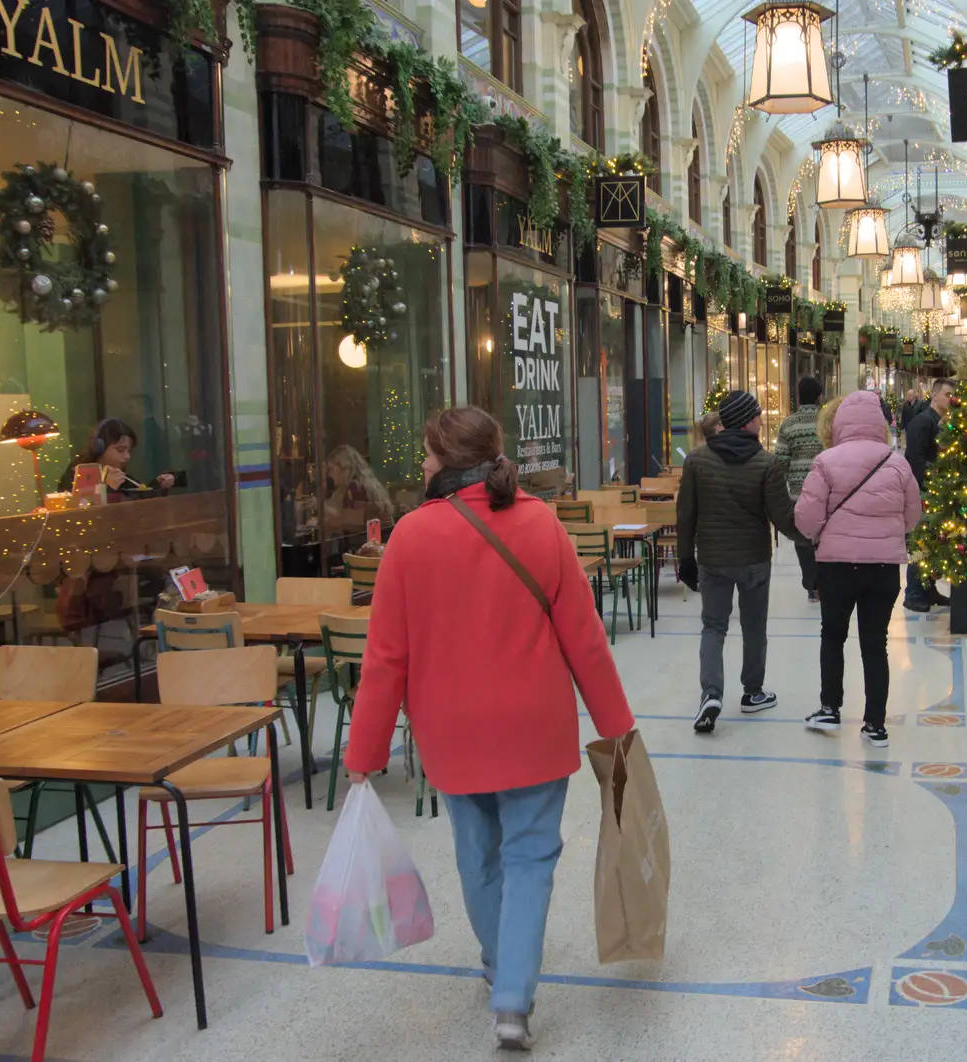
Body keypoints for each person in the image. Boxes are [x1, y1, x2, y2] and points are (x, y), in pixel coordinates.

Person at [344, 407, 633, 1051]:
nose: (421, 466)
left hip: (452, 734)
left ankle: (500, 963)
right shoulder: (542, 526)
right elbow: (583, 639)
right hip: (535, 726)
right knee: (531, 859)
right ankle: (512, 1001)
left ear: (446, 458)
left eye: (425, 454)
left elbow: (386, 659)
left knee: (478, 857)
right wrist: (616, 726)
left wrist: (363, 751)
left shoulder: (410, 538)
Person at [795, 391, 920, 747]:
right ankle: (875, 725)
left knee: (833, 636)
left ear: (840, 423)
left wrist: (823, 532)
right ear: (880, 424)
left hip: (837, 566)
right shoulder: (896, 463)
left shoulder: (826, 461)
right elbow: (913, 516)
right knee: (875, 644)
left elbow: (805, 519)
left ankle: (830, 708)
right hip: (882, 568)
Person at [676, 389, 802, 733]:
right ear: (747, 420)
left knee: (713, 627)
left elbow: (685, 515)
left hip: (712, 559)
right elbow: (783, 518)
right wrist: (814, 538)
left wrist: (685, 558)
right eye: (758, 415)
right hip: (754, 561)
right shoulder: (767, 463)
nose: (762, 420)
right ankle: (752, 693)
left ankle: (711, 694)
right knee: (754, 627)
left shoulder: (697, 461)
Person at [903, 378, 956, 612]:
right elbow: (916, 461)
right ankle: (914, 591)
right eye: (947, 395)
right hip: (923, 493)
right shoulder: (922, 423)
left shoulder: (941, 422)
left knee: (933, 543)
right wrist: (930, 487)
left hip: (936, 493)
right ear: (934, 396)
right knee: (921, 542)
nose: (951, 400)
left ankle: (928, 587)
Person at [774, 376, 826, 602]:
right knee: (827, 537)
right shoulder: (828, 422)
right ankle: (826, 583)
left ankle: (811, 586)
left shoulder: (788, 424)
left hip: (799, 492)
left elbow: (780, 462)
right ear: (819, 397)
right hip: (827, 491)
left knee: (803, 539)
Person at [58, 418, 175, 498]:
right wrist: (108, 488)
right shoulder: (78, 473)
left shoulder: (121, 476)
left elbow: (140, 498)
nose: (127, 456)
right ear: (99, 447)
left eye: (129, 451)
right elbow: (80, 510)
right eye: (120, 450)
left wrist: (158, 486)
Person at [323, 444, 396, 533]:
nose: (330, 475)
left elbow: (353, 526)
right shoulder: (370, 484)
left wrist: (323, 522)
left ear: (345, 469)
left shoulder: (354, 490)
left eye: (332, 469)